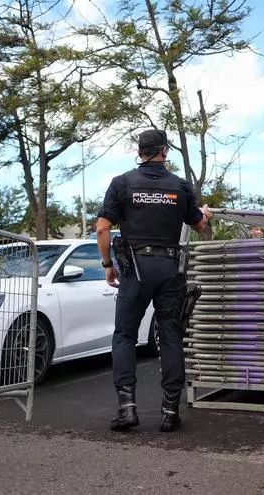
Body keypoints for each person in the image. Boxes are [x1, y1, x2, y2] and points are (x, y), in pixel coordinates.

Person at [95, 128, 212, 433]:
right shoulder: (180, 186)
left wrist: (108, 265)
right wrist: (205, 215)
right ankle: (170, 412)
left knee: (124, 336)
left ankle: (127, 408)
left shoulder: (121, 183)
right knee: (171, 336)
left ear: (139, 152)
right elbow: (200, 226)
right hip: (170, 268)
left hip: (135, 269)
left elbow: (102, 229)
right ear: (164, 152)